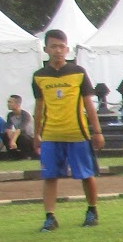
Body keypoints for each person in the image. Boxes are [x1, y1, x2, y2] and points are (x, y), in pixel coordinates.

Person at [31, 30, 105, 231]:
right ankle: (50, 216)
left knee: (86, 174)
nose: (58, 50)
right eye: (53, 46)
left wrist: (97, 131)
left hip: (77, 133)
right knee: (49, 176)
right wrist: (36, 134)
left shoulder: (78, 72)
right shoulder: (39, 76)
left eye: (61, 46)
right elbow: (39, 107)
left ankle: (92, 210)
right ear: (46, 49)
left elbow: (89, 104)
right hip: (50, 135)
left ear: (67, 49)